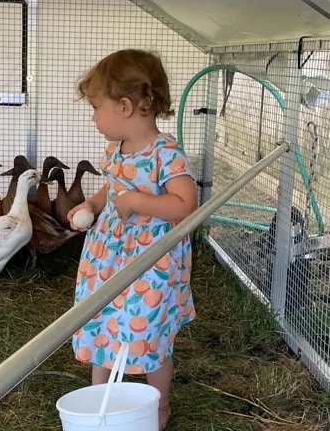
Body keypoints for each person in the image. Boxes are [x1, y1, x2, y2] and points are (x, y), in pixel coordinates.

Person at [67, 49, 198, 430]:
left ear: (124, 106)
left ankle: (158, 408)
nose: (93, 117)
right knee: (104, 316)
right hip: (109, 255)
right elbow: (112, 189)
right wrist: (90, 204)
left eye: (95, 107)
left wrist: (139, 201)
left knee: (149, 327)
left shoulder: (165, 153)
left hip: (151, 260)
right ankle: (99, 401)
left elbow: (185, 204)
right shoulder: (116, 150)